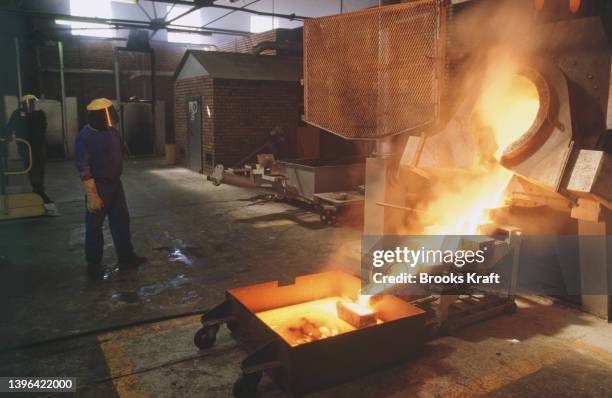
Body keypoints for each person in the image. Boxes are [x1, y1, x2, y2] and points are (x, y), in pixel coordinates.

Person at [75, 98, 146, 278]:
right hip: (98, 187)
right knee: (94, 227)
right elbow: (84, 167)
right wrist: (92, 195)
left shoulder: (112, 131)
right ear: (98, 116)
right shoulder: (84, 136)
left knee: (121, 222)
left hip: (115, 185)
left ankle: (126, 256)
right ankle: (93, 264)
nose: (110, 117)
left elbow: (121, 149)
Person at [3, 94, 58, 216]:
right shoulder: (17, 114)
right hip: (25, 147)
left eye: (32, 103)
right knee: (32, 167)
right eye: (28, 103)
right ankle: (38, 191)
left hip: (38, 147)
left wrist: (29, 117)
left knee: (40, 168)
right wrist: (5, 137)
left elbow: (41, 128)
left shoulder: (39, 114)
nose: (31, 105)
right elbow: (10, 127)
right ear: (23, 104)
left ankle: (39, 190)